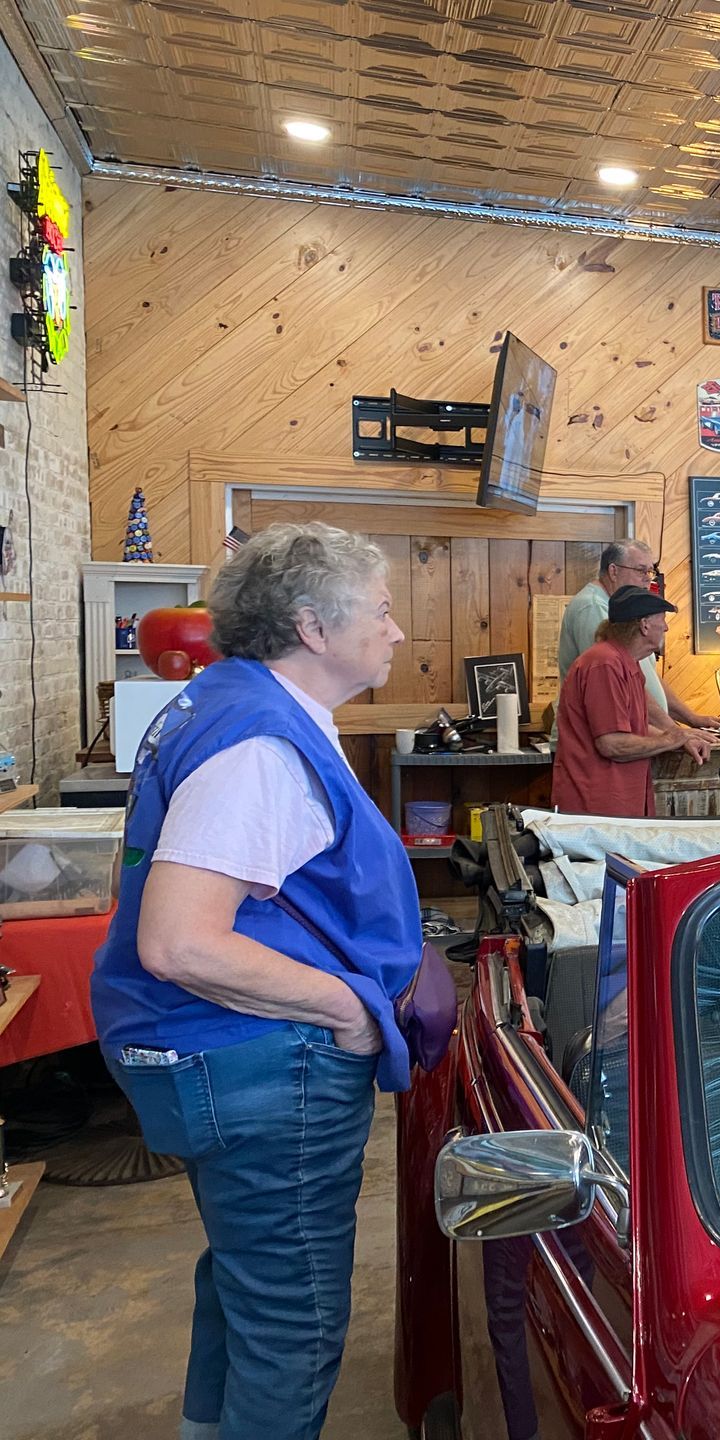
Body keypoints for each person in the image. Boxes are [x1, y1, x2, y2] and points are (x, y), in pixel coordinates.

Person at [89, 522, 423, 1440]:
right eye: (381, 610)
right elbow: (179, 942)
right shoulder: (260, 747)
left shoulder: (233, 701)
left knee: (246, 1279)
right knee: (294, 1318)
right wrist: (346, 1007)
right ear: (313, 626)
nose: (396, 630)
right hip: (260, 1062)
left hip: (217, 1055)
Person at [553, 586, 712, 816]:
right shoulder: (604, 664)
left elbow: (636, 727)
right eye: (662, 620)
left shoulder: (627, 663)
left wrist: (682, 737)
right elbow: (612, 743)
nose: (666, 627)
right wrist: (671, 739)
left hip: (617, 804)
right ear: (644, 625)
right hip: (596, 807)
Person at [556, 540, 720, 733]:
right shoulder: (594, 607)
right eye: (641, 571)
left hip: (639, 733)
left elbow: (647, 678)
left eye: (650, 572)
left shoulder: (623, 610)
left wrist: (691, 719)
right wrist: (674, 732)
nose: (647, 579)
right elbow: (618, 682)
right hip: (599, 742)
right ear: (614, 571)